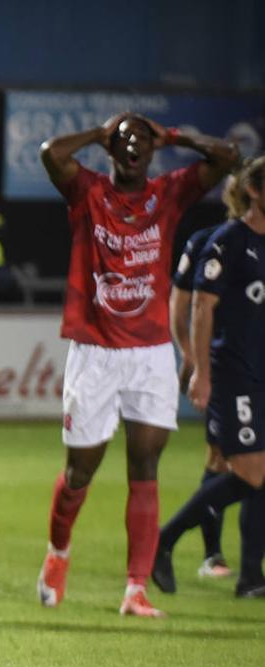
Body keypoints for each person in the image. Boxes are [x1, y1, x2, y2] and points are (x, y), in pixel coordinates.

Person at [34, 113, 239, 617]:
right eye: (123, 140)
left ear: (151, 151)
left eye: (141, 141)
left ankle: (135, 589)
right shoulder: (89, 192)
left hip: (148, 352)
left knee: (145, 467)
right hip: (95, 351)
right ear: (110, 148)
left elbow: (228, 157)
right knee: (80, 471)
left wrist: (176, 135)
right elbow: (50, 154)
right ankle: (58, 553)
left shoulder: (167, 194)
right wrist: (97, 133)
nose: (132, 147)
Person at [154, 157, 265, 597]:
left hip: (261, 373)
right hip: (233, 371)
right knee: (249, 471)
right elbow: (200, 305)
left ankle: (251, 577)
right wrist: (200, 369)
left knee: (259, 473)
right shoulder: (229, 240)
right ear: (255, 191)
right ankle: (166, 538)